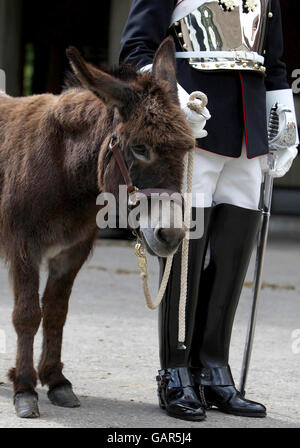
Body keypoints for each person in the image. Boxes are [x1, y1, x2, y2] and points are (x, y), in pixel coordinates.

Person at [119, 0, 298, 421]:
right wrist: (173, 102)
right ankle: (176, 372)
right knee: (185, 260)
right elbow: (136, 51)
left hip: (249, 135)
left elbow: (271, 64)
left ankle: (214, 370)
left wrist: (284, 118)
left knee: (233, 257)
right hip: (192, 129)